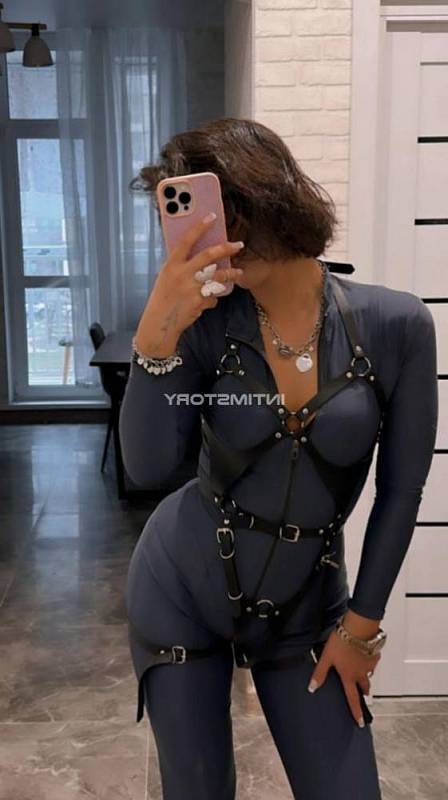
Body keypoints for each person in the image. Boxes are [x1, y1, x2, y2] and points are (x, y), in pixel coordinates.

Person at [119, 117, 438, 800]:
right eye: (204, 217)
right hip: (181, 591)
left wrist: (362, 627)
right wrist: (156, 333)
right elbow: (148, 469)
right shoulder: (204, 326)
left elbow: (402, 488)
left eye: (232, 210)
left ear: (275, 197)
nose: (223, 236)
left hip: (307, 607)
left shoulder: (396, 324)